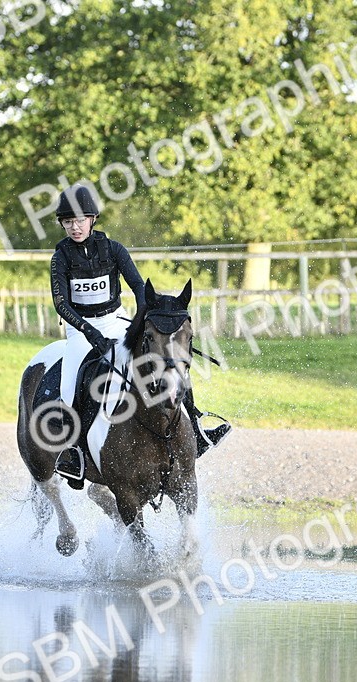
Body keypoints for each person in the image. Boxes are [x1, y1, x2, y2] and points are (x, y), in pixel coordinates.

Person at [50, 185, 230, 484]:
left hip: (116, 321)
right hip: (80, 330)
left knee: (167, 360)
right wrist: (89, 332)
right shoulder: (60, 258)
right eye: (68, 222)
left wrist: (137, 326)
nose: (74, 226)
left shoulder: (114, 249)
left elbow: (138, 288)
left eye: (80, 220)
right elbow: (61, 303)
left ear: (92, 219)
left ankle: (196, 426)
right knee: (69, 387)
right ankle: (74, 453)